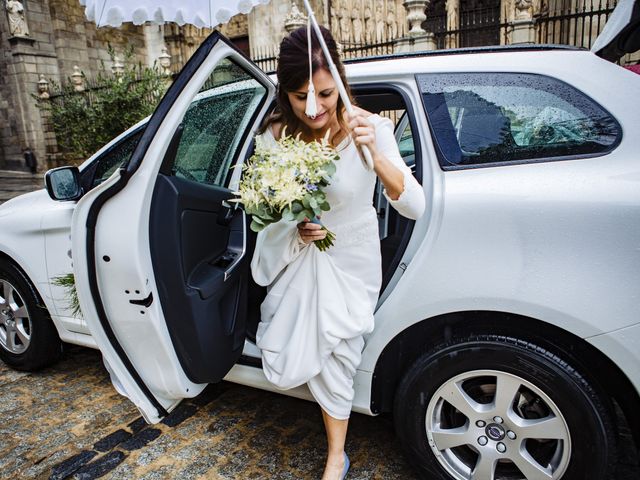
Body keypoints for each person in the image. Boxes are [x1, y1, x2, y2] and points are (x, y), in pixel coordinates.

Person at [250, 24, 425, 480]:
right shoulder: (272, 137)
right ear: (284, 94)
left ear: (341, 83)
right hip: (299, 256)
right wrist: (293, 223)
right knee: (303, 345)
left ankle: (335, 455)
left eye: (325, 94)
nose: (314, 108)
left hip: (352, 258)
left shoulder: (372, 127)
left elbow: (413, 204)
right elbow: (267, 204)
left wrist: (376, 154)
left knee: (338, 352)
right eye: (300, 96)